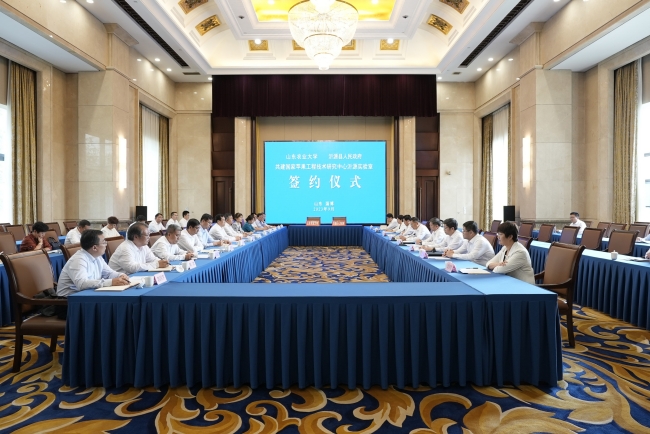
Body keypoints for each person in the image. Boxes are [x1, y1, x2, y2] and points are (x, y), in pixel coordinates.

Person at [55, 230, 130, 319]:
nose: (106, 244)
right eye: (104, 242)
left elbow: (109, 273)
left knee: (116, 308)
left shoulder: (97, 256)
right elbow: (82, 284)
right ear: (94, 247)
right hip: (69, 303)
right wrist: (110, 282)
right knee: (112, 311)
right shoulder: (78, 260)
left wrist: (120, 275)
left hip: (86, 298)